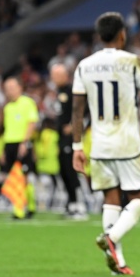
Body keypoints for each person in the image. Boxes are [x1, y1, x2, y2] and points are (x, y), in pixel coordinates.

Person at [71, 12, 140, 275]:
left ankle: (117, 263)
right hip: (127, 144)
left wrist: (77, 147)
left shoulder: (84, 65)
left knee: (111, 200)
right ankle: (111, 239)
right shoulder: (133, 62)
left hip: (99, 145)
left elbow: (77, 111)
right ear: (122, 35)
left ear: (99, 36)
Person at [50, 63, 85, 219]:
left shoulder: (72, 90)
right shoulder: (59, 92)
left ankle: (80, 205)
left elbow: (84, 108)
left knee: (71, 171)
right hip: (60, 138)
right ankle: (71, 204)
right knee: (63, 171)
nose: (54, 78)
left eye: (57, 75)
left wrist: (73, 125)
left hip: (71, 139)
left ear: (65, 75)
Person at [0, 77, 39, 219]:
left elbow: (32, 123)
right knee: (12, 177)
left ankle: (29, 205)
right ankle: (19, 207)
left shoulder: (27, 103)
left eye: (12, 87)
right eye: (7, 88)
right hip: (9, 143)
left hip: (22, 142)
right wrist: (3, 149)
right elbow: (7, 129)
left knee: (24, 176)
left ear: (19, 88)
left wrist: (25, 142)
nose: (9, 91)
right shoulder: (7, 107)